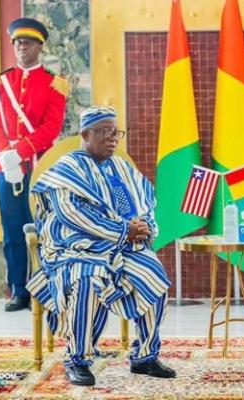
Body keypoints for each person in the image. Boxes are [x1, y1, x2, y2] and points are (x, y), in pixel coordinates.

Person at [26, 106, 176, 386]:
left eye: (116, 132)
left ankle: (144, 356)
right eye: (105, 132)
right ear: (85, 134)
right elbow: (72, 214)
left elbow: (145, 204)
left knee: (154, 274)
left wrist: (145, 227)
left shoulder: (122, 167)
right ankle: (77, 360)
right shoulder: (67, 169)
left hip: (122, 248)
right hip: (75, 250)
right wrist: (123, 230)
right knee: (88, 280)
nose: (113, 138)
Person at [0, 17, 68, 312]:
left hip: (39, 164)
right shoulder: (0, 83)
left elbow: (51, 127)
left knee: (43, 226)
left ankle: (44, 287)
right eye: (18, 42)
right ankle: (19, 290)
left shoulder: (54, 84)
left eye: (28, 42)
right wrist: (4, 155)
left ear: (39, 46)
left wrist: (20, 151)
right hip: (5, 166)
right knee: (12, 229)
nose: (22, 46)